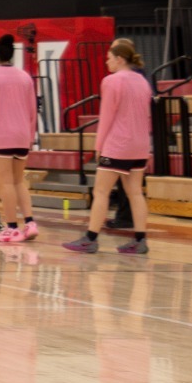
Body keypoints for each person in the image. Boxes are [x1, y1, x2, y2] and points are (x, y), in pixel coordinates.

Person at [65, 39, 154, 256]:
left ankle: (90, 239)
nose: (107, 62)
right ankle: (140, 240)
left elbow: (106, 117)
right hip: (140, 144)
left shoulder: (111, 81)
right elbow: (148, 116)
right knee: (135, 192)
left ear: (120, 59)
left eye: (109, 58)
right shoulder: (143, 82)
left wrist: (99, 145)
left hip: (118, 144)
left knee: (101, 191)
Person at [0, 33, 40, 243]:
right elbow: (32, 110)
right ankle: (30, 223)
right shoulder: (24, 76)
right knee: (19, 181)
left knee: (6, 183)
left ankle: (11, 228)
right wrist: (30, 136)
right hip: (22, 136)